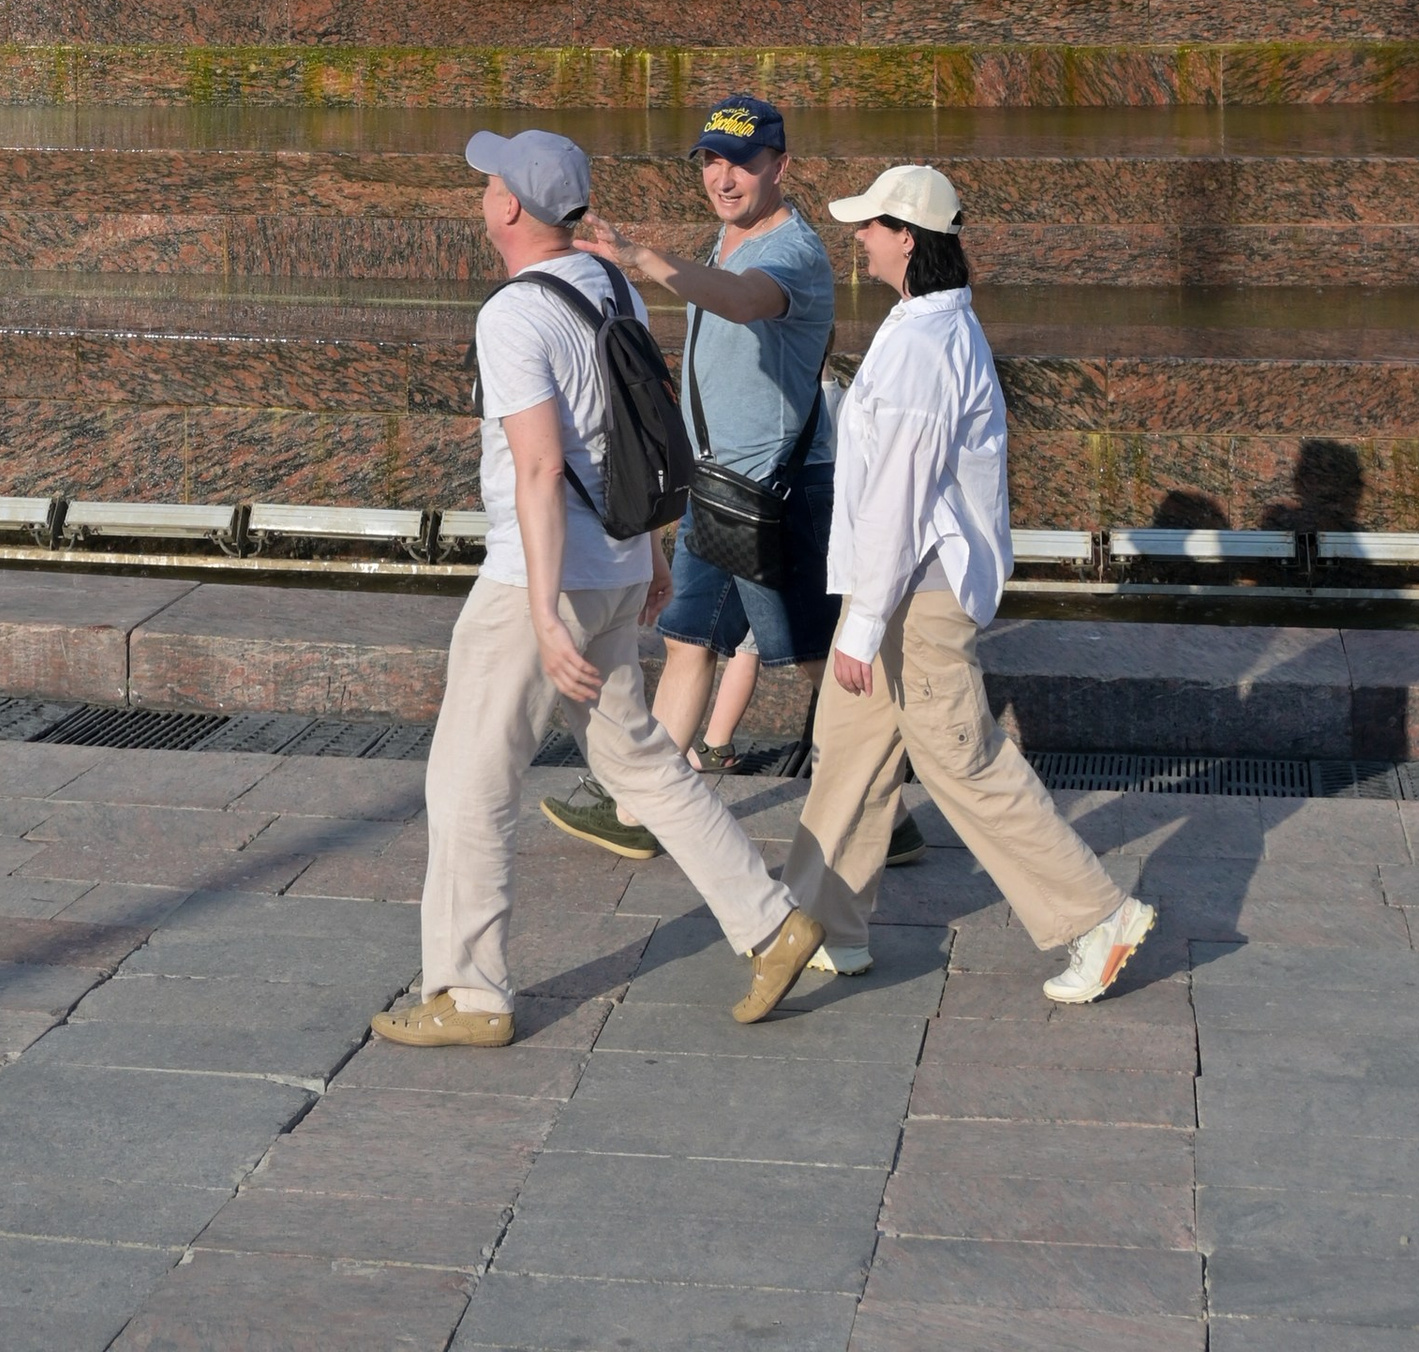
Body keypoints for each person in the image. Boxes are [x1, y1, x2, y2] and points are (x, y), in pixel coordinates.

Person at [371, 126, 823, 1048]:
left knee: (468, 781)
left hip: (545, 581)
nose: (483, 191)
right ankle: (773, 921)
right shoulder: (605, 280)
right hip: (616, 564)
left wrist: (541, 612)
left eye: (490, 180)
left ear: (508, 206)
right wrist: (649, 551)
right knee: (639, 764)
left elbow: (539, 471)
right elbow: (635, 424)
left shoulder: (511, 315)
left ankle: (469, 992)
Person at [783, 162, 1157, 1007]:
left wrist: (858, 621)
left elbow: (899, 499)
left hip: (917, 595)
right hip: (901, 586)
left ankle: (1097, 919)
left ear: (907, 238)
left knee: (962, 761)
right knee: (849, 755)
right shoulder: (925, 324)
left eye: (871, 226)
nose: (860, 239)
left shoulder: (923, 343)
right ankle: (820, 926)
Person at [539, 93, 838, 859]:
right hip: (721, 486)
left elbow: (742, 305)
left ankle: (887, 803)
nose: (725, 177)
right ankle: (646, 812)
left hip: (775, 492)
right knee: (686, 642)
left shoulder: (791, 254)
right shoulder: (731, 236)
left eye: (742, 162)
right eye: (711, 160)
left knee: (812, 660)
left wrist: (643, 260)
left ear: (781, 165)